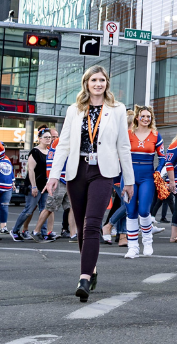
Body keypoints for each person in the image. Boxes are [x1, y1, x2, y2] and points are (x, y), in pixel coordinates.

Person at [44, 65, 135, 302]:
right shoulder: (74, 110)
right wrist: (54, 175)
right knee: (83, 224)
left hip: (103, 171)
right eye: (94, 80)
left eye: (102, 80)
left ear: (107, 83)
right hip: (77, 170)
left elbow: (123, 146)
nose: (98, 84)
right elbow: (63, 144)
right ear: (86, 83)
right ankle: (92, 268)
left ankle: (83, 278)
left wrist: (129, 180)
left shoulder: (116, 109)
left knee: (93, 222)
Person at [123, 105, 166, 258]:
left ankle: (147, 242)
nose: (146, 119)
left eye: (149, 116)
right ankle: (132, 247)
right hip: (129, 177)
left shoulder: (155, 135)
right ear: (137, 118)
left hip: (147, 176)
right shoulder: (128, 134)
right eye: (143, 116)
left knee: (143, 211)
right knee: (131, 211)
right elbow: (120, 153)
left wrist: (158, 170)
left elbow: (162, 157)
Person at [11, 127, 52, 241]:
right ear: (39, 139)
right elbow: (31, 169)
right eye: (45, 137)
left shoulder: (50, 152)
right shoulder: (35, 151)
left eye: (49, 137)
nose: (48, 139)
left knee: (44, 209)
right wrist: (33, 186)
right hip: (34, 185)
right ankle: (15, 230)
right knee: (29, 210)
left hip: (45, 186)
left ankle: (43, 233)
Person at [30, 137, 74, 242]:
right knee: (50, 207)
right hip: (59, 180)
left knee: (71, 208)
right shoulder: (60, 142)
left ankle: (73, 234)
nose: (50, 139)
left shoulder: (58, 143)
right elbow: (51, 164)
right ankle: (36, 231)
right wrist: (51, 180)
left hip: (66, 179)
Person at [0, 142, 13, 236]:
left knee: (4, 207)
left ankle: (3, 226)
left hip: (7, 186)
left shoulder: (7, 159)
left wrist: (13, 182)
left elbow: (10, 171)